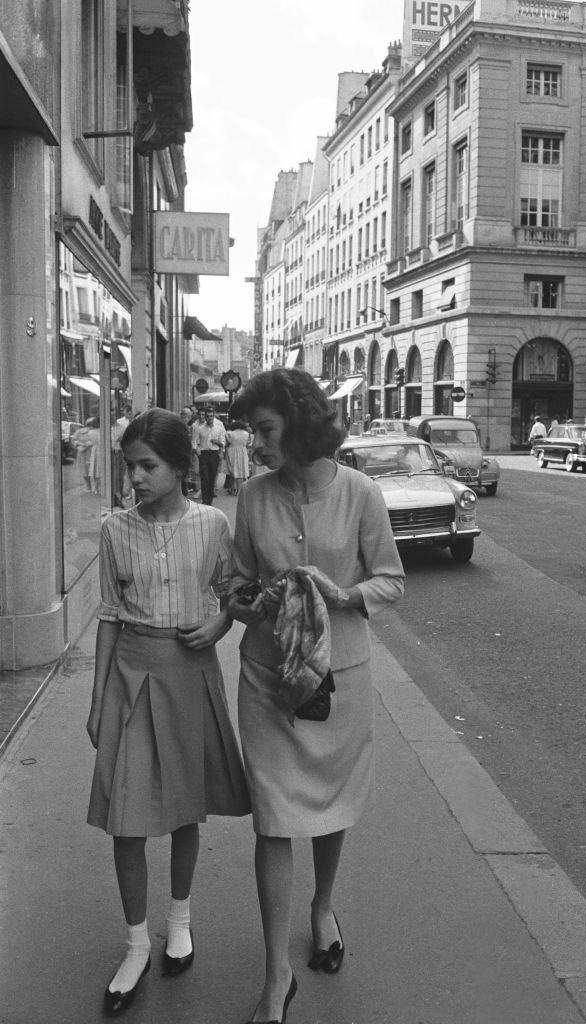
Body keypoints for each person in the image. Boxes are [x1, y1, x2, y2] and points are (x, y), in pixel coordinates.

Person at [227, 367, 405, 1024]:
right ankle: (278, 976)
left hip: (341, 681)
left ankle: (322, 906)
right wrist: (256, 600)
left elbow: (391, 581)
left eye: (265, 430)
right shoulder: (251, 497)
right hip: (270, 684)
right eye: (250, 431)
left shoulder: (360, 493)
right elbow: (238, 590)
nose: (255, 444)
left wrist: (345, 594)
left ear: (300, 423)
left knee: (330, 806)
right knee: (273, 818)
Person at [86, 408, 250, 1016]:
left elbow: (233, 592)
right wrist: (99, 697)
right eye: (130, 466)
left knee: (185, 807)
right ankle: (135, 944)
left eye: (148, 466)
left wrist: (220, 621)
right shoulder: (113, 529)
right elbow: (108, 614)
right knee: (125, 820)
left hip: (189, 670)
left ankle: (179, 921)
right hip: (131, 670)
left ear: (182, 467)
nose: (136, 477)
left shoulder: (212, 524)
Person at [195, 406, 226, 505]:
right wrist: (198, 452)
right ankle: (205, 501)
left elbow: (223, 443)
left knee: (212, 477)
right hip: (204, 454)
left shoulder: (219, 428)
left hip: (214, 454)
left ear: (214, 416)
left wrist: (218, 442)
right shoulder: (200, 428)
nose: (210, 418)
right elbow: (195, 442)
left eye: (211, 416)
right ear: (205, 417)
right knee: (204, 477)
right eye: (208, 416)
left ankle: (209, 501)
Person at [224, 419, 251, 496]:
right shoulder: (246, 433)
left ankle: (232, 489)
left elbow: (228, 443)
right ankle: (239, 490)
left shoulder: (230, 433)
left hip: (232, 452)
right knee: (241, 471)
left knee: (232, 471)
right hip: (242, 451)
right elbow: (248, 443)